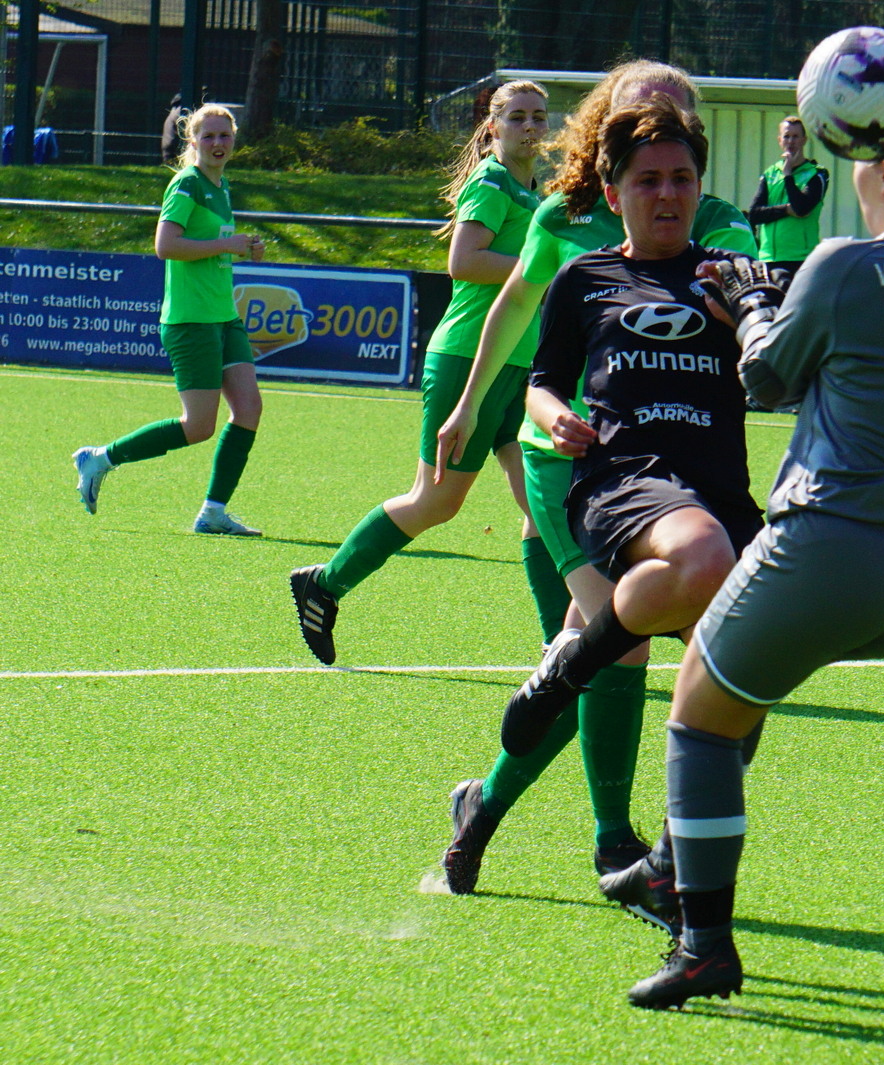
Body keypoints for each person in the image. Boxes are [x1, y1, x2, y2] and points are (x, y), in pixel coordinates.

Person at [601, 91, 884, 1010]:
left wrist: (751, 306)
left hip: (833, 546)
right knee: (724, 674)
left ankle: (702, 941)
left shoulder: (842, 261)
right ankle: (670, 860)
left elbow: (770, 377)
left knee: (699, 719)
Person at [434, 61, 759, 898]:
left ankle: (488, 805)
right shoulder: (566, 218)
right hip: (582, 464)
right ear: (610, 158)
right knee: (623, 639)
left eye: (678, 136)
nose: (665, 180)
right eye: (640, 131)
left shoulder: (727, 236)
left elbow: (770, 347)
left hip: (701, 475)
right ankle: (618, 845)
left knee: (725, 664)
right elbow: (516, 311)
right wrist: (483, 405)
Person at [289, 82, 555, 664]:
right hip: (466, 359)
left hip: (518, 364)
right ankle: (324, 584)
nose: (530, 127)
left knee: (545, 505)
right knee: (434, 502)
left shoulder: (536, 191)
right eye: (517, 117)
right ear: (492, 127)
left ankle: (559, 646)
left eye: (539, 117)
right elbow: (464, 261)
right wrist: (545, 267)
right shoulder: (492, 182)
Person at [72, 103, 267, 535]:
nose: (217, 143)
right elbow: (166, 245)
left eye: (224, 135)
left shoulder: (221, 186)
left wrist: (243, 248)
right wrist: (226, 245)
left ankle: (213, 513)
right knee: (197, 426)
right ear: (193, 141)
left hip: (223, 317)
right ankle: (100, 459)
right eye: (208, 136)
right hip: (191, 321)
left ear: (234, 140)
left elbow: (210, 245)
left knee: (249, 408)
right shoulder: (186, 183)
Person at [746, 116, 829, 272]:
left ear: (804, 140)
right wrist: (785, 209)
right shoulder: (770, 174)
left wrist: (788, 175)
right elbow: (754, 214)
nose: (791, 141)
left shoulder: (816, 174)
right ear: (780, 140)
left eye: (795, 136)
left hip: (801, 259)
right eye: (786, 136)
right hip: (768, 257)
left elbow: (801, 208)